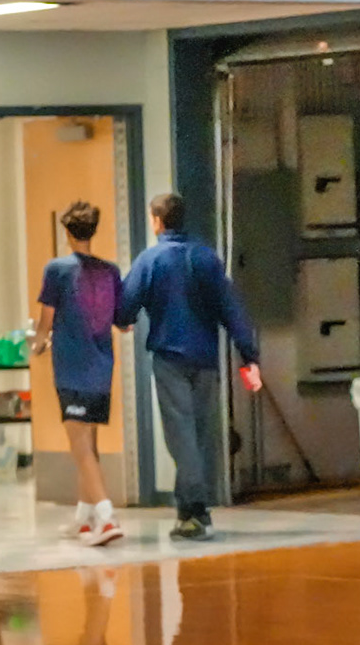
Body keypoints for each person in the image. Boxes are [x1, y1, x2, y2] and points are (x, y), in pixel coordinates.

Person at [115, 193, 263, 541]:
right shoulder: (205, 258)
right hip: (207, 359)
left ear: (157, 221)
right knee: (201, 435)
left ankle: (196, 511)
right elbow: (231, 310)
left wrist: (123, 320)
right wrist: (249, 356)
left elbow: (124, 306)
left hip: (170, 359)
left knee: (181, 437)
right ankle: (189, 511)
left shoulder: (150, 261)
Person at [32, 201, 124, 548]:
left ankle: (107, 516)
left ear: (67, 233)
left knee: (80, 447)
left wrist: (38, 344)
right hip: (102, 368)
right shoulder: (110, 271)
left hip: (72, 369)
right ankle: (84, 519)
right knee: (91, 445)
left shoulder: (56, 269)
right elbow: (122, 318)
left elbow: (46, 320)